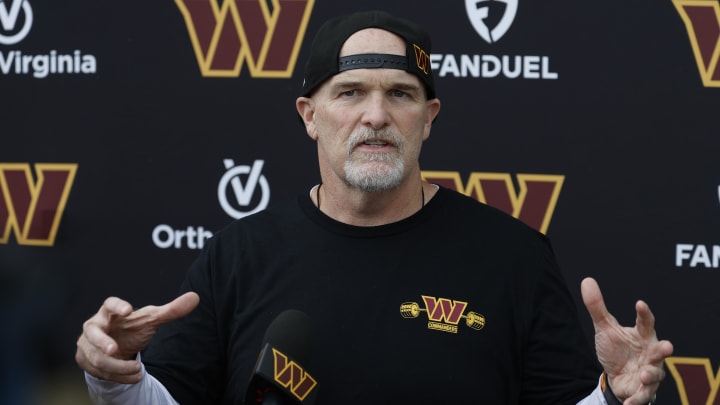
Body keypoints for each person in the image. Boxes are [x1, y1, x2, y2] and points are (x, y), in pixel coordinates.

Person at [75, 10, 674, 404]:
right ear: (310, 116)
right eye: (351, 93)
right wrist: (112, 377)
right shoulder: (238, 254)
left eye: (401, 94)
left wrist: (611, 397)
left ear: (429, 118)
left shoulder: (513, 255)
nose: (377, 116)